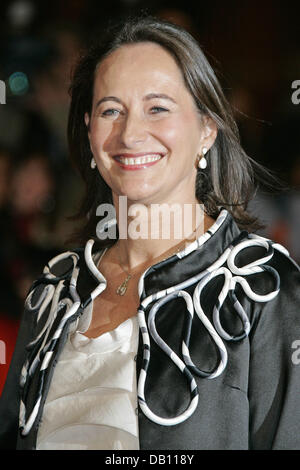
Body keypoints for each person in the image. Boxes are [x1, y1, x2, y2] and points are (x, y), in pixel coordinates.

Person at [1, 15, 300, 451]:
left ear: (206, 129)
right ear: (89, 131)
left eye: (157, 107)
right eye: (110, 110)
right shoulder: (54, 290)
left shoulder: (263, 289)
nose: (130, 133)